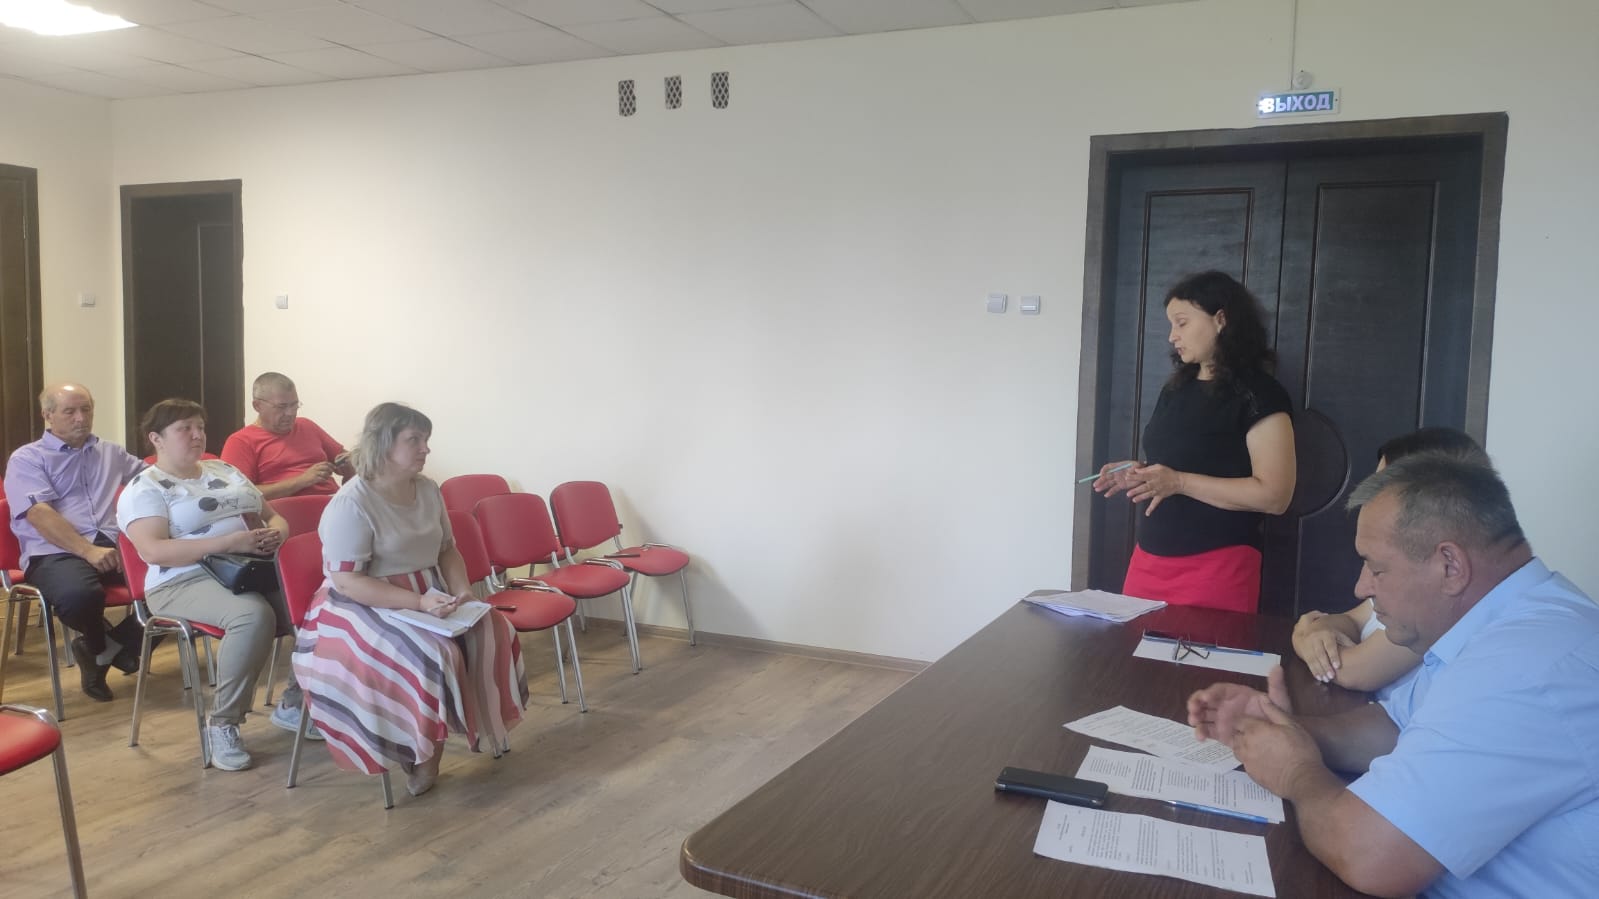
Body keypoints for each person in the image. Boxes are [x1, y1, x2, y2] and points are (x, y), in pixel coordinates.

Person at [1186, 454, 1598, 897]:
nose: (1361, 587)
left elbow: (1369, 856)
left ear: (1450, 566)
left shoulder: (1526, 668)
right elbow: (1396, 727)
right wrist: (1285, 730)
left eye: (1377, 568)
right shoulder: (1515, 622)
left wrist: (1296, 772)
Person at [291, 402, 527, 797]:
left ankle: (469, 729)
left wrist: (462, 590)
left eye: (426, 439)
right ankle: (421, 754)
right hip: (360, 604)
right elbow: (348, 581)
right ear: (384, 444)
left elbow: (447, 549)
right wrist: (417, 603)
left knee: (493, 628)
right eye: (414, 440)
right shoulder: (352, 502)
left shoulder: (428, 489)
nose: (425, 448)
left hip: (426, 592)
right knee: (432, 653)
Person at [1093, 271, 1296, 612]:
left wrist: (1179, 482)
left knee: (1206, 648)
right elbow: (1184, 462)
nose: (1172, 336)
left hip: (1218, 567)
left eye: (1182, 323)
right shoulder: (1176, 389)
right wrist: (1142, 473)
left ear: (1221, 319)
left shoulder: (1260, 394)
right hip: (1148, 560)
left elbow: (1275, 496)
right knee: (1132, 647)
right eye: (1171, 325)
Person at [118, 399, 292, 771]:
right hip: (180, 580)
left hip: (248, 567)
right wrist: (229, 543)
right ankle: (223, 722)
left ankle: (294, 702)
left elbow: (275, 517)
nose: (197, 435)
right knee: (252, 616)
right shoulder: (144, 488)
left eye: (200, 427)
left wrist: (276, 534)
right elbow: (154, 551)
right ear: (156, 439)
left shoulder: (224, 469)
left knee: (320, 604)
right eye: (185, 428)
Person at [1292, 427, 1489, 695]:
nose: (1371, 495)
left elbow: (1355, 672)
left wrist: (1303, 638)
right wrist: (1319, 633)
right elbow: (1351, 620)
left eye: (1381, 485)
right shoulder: (1397, 573)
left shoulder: (1434, 602)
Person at [4, 383, 147, 702]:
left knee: (175, 584)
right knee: (79, 596)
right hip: (54, 551)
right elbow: (39, 514)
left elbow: (151, 479)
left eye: (86, 409)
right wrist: (87, 550)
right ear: (48, 415)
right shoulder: (27, 458)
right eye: (70, 411)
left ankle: (105, 649)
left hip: (111, 544)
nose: (81, 418)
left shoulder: (111, 452)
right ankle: (104, 645)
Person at [221, 372, 353, 501]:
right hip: (286, 509)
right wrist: (302, 481)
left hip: (333, 502)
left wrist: (351, 464)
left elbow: (345, 458)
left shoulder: (306, 425)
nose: (290, 413)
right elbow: (238, 496)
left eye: (294, 405)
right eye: (281, 407)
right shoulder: (240, 441)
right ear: (257, 406)